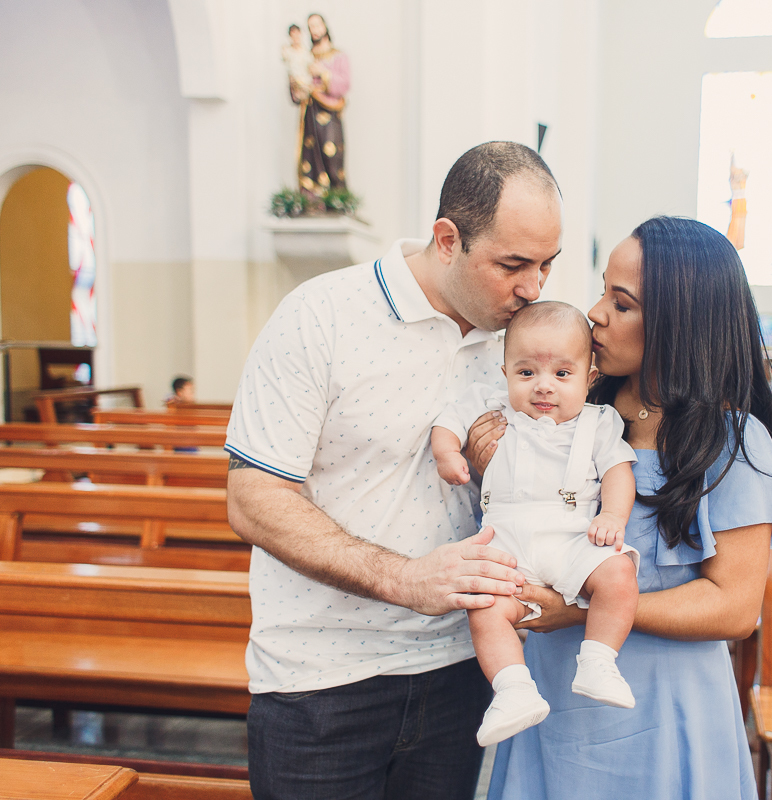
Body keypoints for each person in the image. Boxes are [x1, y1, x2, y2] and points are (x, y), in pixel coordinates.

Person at [224, 141, 563, 800]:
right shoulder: (320, 316)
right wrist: (406, 578)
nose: (533, 288)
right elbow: (253, 498)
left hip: (461, 669)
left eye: (547, 265)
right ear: (446, 239)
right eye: (513, 264)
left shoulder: (523, 345)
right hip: (321, 681)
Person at [484, 216, 772, 800]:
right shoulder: (569, 410)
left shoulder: (732, 440)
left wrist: (580, 609)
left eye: (622, 303)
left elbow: (734, 609)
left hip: (663, 711)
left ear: (680, 324)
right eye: (603, 290)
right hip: (553, 700)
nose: (596, 313)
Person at [431, 301, 640, 748]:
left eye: (562, 375)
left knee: (619, 573)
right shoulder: (492, 407)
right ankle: (512, 692)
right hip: (506, 544)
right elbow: (447, 422)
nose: (543, 387)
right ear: (505, 371)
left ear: (589, 377)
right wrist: (449, 452)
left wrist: (612, 516)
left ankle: (599, 661)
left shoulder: (598, 423)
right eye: (526, 373)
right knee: (486, 609)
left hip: (571, 539)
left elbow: (619, 472)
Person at [295, 12, 350, 203]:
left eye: (317, 25)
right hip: (310, 114)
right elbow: (297, 86)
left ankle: (335, 199)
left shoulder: (338, 56)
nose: (315, 30)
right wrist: (298, 84)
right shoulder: (305, 56)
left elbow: (344, 85)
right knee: (310, 158)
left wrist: (324, 73)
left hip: (328, 114)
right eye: (311, 27)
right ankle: (312, 200)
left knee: (331, 155)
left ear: (325, 27)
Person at [282, 23, 313, 98]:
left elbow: (310, 66)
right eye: (293, 35)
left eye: (297, 34)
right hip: (294, 83)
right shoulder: (287, 51)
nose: (295, 37)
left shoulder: (306, 52)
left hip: (306, 82)